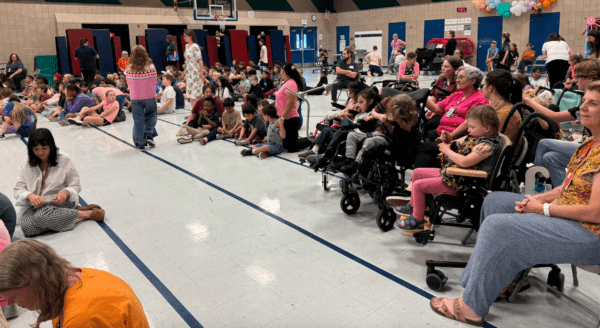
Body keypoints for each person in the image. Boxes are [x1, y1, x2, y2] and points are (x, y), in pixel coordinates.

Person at [430, 82, 600, 326]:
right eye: (584, 101)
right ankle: (507, 280)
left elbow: (595, 213)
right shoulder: (588, 145)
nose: (582, 107)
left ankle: (471, 307)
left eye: (592, 103)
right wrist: (538, 198)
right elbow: (570, 187)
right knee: (495, 201)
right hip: (570, 215)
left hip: (591, 234)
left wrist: (541, 209)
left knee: (498, 227)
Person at [394, 105, 503, 231]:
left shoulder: (486, 145)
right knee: (417, 173)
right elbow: (456, 143)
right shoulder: (478, 137)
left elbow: (464, 162)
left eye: (472, 127)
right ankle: (414, 205)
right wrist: (448, 139)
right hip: (458, 176)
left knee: (418, 185)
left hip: (466, 184)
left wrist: (446, 150)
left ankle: (417, 220)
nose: (468, 130)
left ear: (487, 128)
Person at [0, 239, 149, 327]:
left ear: (35, 281)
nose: (9, 302)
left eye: (13, 295)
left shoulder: (81, 318)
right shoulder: (75, 276)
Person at [14, 129, 104, 236]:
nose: (40, 152)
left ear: (51, 146)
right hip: (36, 205)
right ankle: (63, 216)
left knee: (40, 217)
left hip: (60, 202)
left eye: (44, 148)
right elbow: (18, 189)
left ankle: (86, 214)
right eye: (36, 149)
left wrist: (64, 193)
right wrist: (30, 196)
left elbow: (75, 185)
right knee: (27, 228)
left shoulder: (64, 159)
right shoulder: (26, 162)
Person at [523, 59, 600, 186]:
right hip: (591, 144)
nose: (574, 80)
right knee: (550, 158)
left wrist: (527, 99)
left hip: (595, 149)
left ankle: (534, 187)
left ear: (590, 79)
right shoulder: (585, 103)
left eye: (579, 77)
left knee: (544, 144)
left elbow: (554, 116)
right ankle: (562, 194)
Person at [414, 66, 487, 169]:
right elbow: (437, 108)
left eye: (461, 77)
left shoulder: (479, 99)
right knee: (413, 139)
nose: (457, 79)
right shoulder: (456, 95)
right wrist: (420, 95)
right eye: (457, 77)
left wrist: (451, 135)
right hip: (440, 131)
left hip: (457, 136)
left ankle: (420, 180)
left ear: (473, 81)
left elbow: (469, 122)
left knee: (425, 147)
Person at [340, 94, 419, 176]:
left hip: (390, 139)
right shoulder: (387, 101)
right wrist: (380, 116)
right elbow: (373, 112)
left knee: (369, 142)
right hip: (375, 133)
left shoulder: (411, 113)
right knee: (352, 135)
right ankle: (349, 160)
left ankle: (356, 164)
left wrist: (398, 120)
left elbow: (409, 130)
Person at [125, 45, 158, 151]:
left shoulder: (129, 68)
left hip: (135, 97)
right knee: (151, 116)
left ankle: (140, 143)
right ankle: (149, 134)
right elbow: (154, 82)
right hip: (149, 95)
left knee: (138, 119)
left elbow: (128, 84)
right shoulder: (150, 66)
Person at [480, 69, 523, 146]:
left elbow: (491, 144)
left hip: (494, 154)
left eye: (484, 85)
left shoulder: (506, 113)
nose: (482, 88)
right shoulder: (494, 106)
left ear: (490, 88)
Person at [275, 62, 304, 152]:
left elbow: (291, 103)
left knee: (292, 148)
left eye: (280, 71)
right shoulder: (286, 82)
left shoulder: (291, 84)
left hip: (290, 119)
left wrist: (282, 118)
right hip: (284, 118)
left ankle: (312, 140)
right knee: (285, 145)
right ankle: (297, 138)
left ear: (283, 71)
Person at [183, 30, 204, 109]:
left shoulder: (195, 46)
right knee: (190, 93)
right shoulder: (186, 46)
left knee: (196, 93)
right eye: (184, 36)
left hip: (195, 70)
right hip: (189, 71)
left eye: (186, 36)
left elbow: (200, 60)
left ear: (190, 37)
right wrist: (185, 68)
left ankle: (199, 112)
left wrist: (201, 74)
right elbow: (187, 59)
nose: (184, 38)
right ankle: (193, 112)